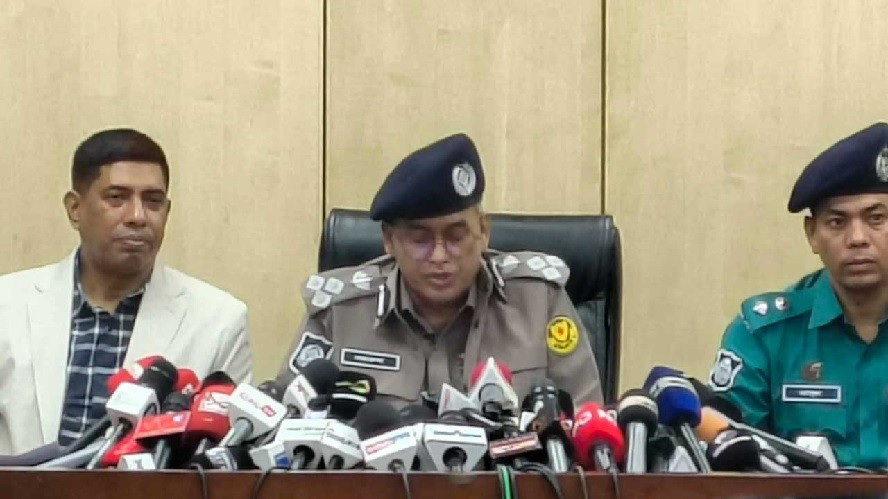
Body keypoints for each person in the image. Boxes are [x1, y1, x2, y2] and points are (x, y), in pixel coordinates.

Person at [277, 133, 602, 409]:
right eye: (420, 240)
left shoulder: (539, 302)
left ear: (483, 231)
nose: (440, 256)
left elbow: (585, 420)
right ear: (389, 240)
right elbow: (286, 427)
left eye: (456, 237)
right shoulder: (338, 314)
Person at [0, 128, 252, 454]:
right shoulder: (8, 305)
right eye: (117, 197)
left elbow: (224, 458)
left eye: (153, 201)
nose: (137, 216)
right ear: (75, 209)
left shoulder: (220, 322)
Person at [710, 122, 888, 468]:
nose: (857, 238)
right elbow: (727, 456)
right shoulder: (764, 334)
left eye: (876, 218)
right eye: (837, 222)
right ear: (812, 234)